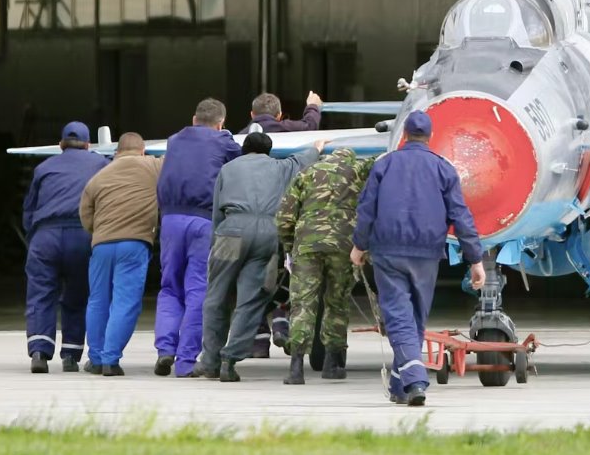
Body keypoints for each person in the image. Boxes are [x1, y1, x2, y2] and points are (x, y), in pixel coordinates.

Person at [351, 111, 486, 407]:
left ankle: (413, 380)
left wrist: (358, 246)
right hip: (426, 253)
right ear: (430, 136)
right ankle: (402, 387)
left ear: (404, 135)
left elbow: (367, 209)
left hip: (387, 250)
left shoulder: (384, 165)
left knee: (400, 315)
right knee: (414, 318)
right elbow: (460, 215)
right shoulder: (444, 169)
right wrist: (475, 259)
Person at [195, 132, 322, 382]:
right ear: (269, 152)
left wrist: (215, 246)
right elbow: (304, 159)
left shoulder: (228, 169)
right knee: (251, 300)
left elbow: (217, 211)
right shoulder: (281, 166)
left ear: (245, 149)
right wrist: (318, 147)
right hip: (267, 233)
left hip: (231, 230)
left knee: (216, 296)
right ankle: (229, 360)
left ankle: (209, 361)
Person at [154, 98, 242, 378]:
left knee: (169, 287)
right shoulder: (223, 142)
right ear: (221, 123)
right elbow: (242, 161)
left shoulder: (173, 140)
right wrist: (225, 135)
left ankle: (165, 349)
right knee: (198, 289)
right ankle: (186, 361)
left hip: (169, 219)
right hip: (204, 220)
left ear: (193, 119)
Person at [277, 146, 375, 385]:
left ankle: (296, 367)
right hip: (344, 245)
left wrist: (291, 246)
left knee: (303, 303)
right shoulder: (358, 169)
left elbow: (284, 217)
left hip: (308, 245)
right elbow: (382, 160)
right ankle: (333, 364)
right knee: (337, 301)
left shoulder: (307, 172)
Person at [22, 121, 108, 373]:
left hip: (45, 236)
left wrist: (34, 238)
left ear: (60, 145)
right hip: (82, 234)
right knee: (78, 295)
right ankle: (70, 355)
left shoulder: (43, 168)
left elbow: (29, 209)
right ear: (88, 144)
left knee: (40, 293)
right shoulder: (101, 164)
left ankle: (39, 351)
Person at [78, 133, 161, 376]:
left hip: (102, 245)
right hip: (134, 244)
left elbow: (85, 214)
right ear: (143, 151)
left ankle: (95, 358)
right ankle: (110, 360)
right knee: (125, 302)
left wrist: (99, 231)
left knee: (97, 300)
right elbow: (178, 165)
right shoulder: (154, 166)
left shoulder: (98, 177)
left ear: (117, 152)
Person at [239, 91, 323, 134]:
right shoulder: (286, 127)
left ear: (252, 115)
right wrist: (312, 105)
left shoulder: (240, 136)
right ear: (279, 115)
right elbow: (310, 126)